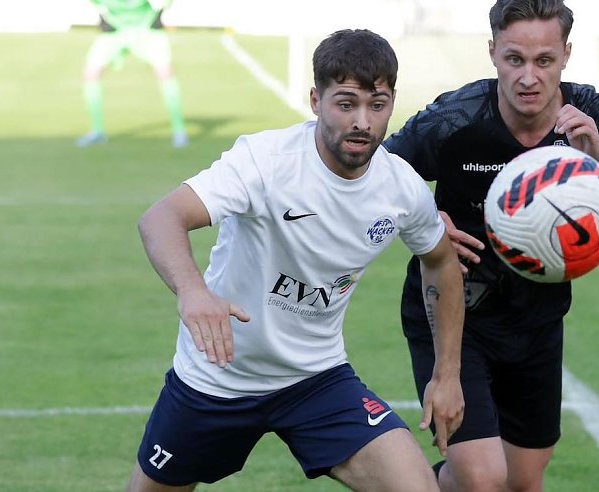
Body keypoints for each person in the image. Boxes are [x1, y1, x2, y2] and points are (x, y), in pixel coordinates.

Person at [126, 29, 466, 491]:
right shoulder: (265, 161)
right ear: (315, 100)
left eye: (378, 104)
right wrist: (192, 292)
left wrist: (446, 375)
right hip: (218, 378)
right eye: (346, 104)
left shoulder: (400, 187)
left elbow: (442, 262)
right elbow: (161, 218)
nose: (363, 121)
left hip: (316, 378)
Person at [383, 0, 599, 490]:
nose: (528, 76)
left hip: (536, 319)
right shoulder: (454, 121)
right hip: (455, 314)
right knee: (483, 476)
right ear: (492, 53)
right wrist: (425, 218)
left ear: (566, 55)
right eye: (514, 59)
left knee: (522, 480)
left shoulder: (593, 115)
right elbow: (372, 179)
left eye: (544, 61)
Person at [77, 0, 188, 148]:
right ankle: (97, 132)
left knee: (165, 72)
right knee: (91, 73)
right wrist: (103, 16)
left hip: (145, 30)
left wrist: (160, 13)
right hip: (117, 31)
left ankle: (179, 131)